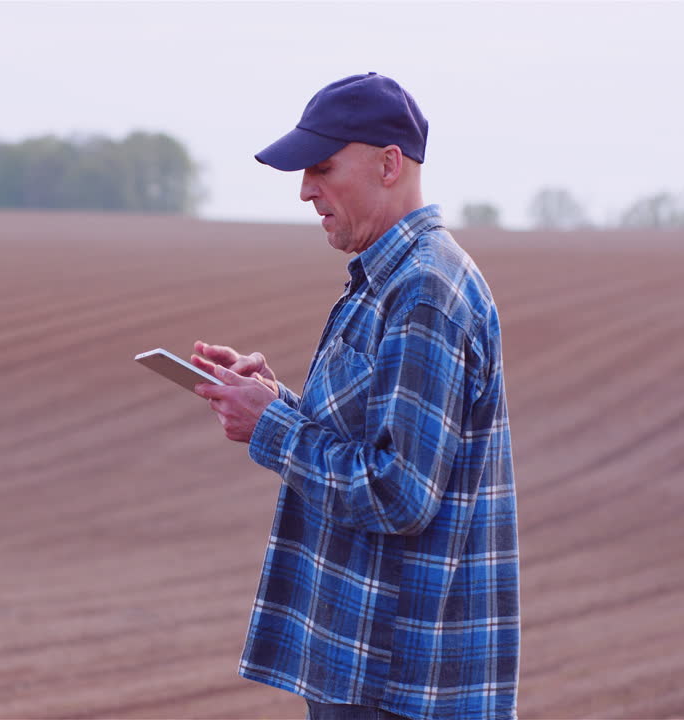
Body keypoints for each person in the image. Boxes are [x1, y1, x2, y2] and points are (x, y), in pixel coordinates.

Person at [192, 73, 519, 720]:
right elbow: (370, 438)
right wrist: (274, 401)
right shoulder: (391, 279)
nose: (307, 190)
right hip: (369, 671)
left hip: (402, 684)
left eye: (322, 167)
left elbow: (400, 492)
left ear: (389, 164)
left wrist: (272, 429)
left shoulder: (424, 292)